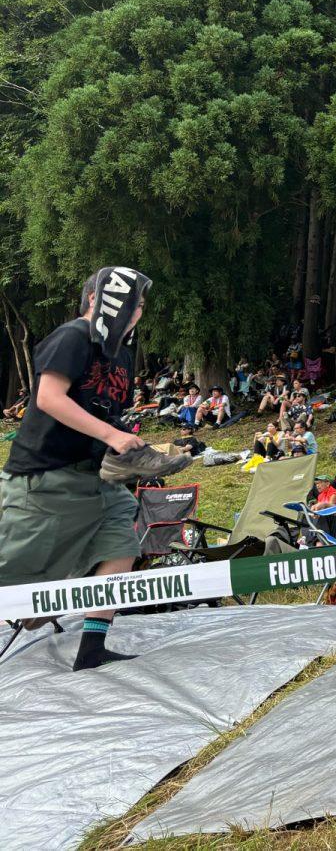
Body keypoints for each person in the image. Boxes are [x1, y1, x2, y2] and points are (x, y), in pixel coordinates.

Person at [0, 267, 190, 670]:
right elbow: (49, 398)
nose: (138, 312)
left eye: (140, 307)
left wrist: (135, 449)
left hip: (93, 481)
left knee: (121, 540)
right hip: (43, 480)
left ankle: (91, 649)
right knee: (10, 578)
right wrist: (112, 435)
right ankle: (34, 598)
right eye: (132, 304)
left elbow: (103, 411)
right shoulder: (73, 337)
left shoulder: (121, 353)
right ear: (97, 300)